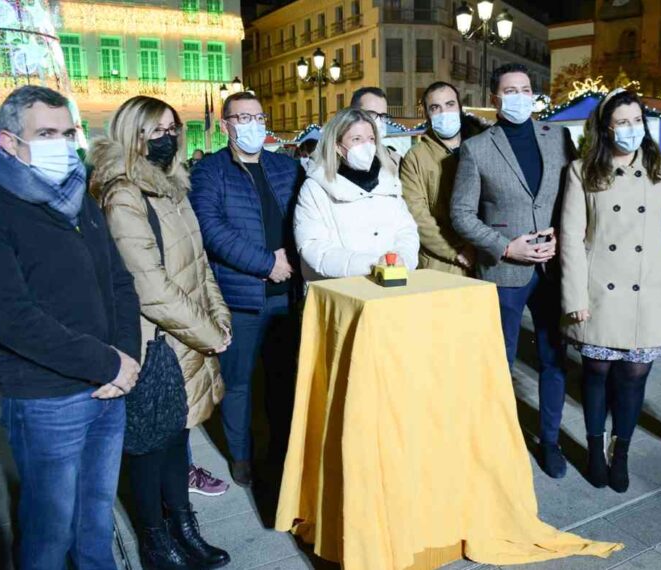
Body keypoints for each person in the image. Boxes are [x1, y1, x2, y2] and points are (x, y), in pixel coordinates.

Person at [0, 86, 142, 569]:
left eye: (68, 133)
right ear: (7, 141)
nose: (62, 144)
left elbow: (120, 282)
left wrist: (127, 359)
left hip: (110, 390)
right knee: (49, 533)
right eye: (46, 133)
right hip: (48, 399)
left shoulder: (78, 199)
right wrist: (108, 363)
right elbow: (12, 319)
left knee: (96, 522)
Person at [91, 95, 231, 569]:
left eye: (172, 129)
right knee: (150, 449)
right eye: (154, 130)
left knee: (176, 440)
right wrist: (208, 333)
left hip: (186, 339)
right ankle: (155, 540)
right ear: (132, 133)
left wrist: (219, 319)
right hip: (155, 345)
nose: (166, 138)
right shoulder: (124, 194)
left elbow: (201, 265)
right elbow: (150, 288)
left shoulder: (173, 187)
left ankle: (184, 527)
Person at [560, 88, 661, 492]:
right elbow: (571, 238)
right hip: (598, 292)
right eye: (621, 122)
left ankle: (620, 454)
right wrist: (575, 297)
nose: (630, 129)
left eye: (636, 120)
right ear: (605, 127)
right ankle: (593, 448)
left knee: (634, 379)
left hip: (647, 293)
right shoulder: (582, 170)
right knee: (596, 375)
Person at [450, 63, 576, 478]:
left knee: (553, 359)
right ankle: (501, 442)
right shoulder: (478, 148)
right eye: (510, 90)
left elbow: (574, 198)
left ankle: (552, 441)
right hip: (504, 271)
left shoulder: (558, 138)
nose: (519, 96)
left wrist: (562, 233)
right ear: (494, 98)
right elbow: (461, 214)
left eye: (525, 89)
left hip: (553, 268)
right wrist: (506, 247)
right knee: (500, 362)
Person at [190, 91, 303, 488]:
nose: (253, 125)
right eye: (243, 118)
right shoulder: (210, 172)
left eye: (258, 117)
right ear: (226, 126)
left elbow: (303, 217)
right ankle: (242, 456)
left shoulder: (284, 167)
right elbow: (211, 229)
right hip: (242, 296)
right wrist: (265, 263)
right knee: (238, 382)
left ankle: (284, 449)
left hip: (287, 294)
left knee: (282, 376)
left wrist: (290, 258)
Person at [294, 107, 419, 281]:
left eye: (371, 139)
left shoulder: (388, 181)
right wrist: (372, 264)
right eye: (356, 139)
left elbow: (406, 231)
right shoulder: (315, 188)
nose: (366, 146)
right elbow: (313, 247)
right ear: (337, 146)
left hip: (392, 283)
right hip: (343, 290)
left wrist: (401, 259)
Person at [400, 81, 485, 275]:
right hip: (442, 266)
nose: (444, 112)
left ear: (459, 107)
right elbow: (417, 215)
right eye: (435, 108)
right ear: (427, 114)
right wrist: (456, 250)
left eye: (449, 104)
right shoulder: (416, 157)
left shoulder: (483, 146)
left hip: (486, 260)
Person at [351, 86, 401, 167]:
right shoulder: (332, 159)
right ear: (352, 115)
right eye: (371, 114)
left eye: (383, 116)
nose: (378, 122)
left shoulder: (395, 161)